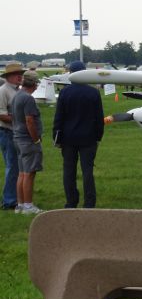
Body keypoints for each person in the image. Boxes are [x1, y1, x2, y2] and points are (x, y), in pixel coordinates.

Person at [53, 61, 104, 208]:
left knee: (69, 170)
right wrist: (98, 136)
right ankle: (89, 202)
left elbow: (59, 118)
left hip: (68, 137)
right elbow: (99, 117)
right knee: (87, 171)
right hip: (88, 137)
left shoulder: (64, 92)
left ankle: (71, 201)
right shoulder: (93, 92)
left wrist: (57, 137)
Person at [11, 70, 44, 214]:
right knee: (30, 173)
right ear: (34, 83)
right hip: (27, 140)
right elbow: (30, 120)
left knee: (22, 173)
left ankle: (20, 204)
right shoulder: (28, 99)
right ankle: (28, 206)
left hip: (17, 138)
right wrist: (36, 139)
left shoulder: (17, 95)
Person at [0, 63, 25, 210]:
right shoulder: (3, 91)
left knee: (17, 166)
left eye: (20, 74)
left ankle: (15, 197)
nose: (20, 76)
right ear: (8, 76)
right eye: (16, 74)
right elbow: (1, 115)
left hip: (15, 133)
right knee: (12, 166)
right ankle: (9, 201)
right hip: (7, 132)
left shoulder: (17, 90)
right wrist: (20, 120)